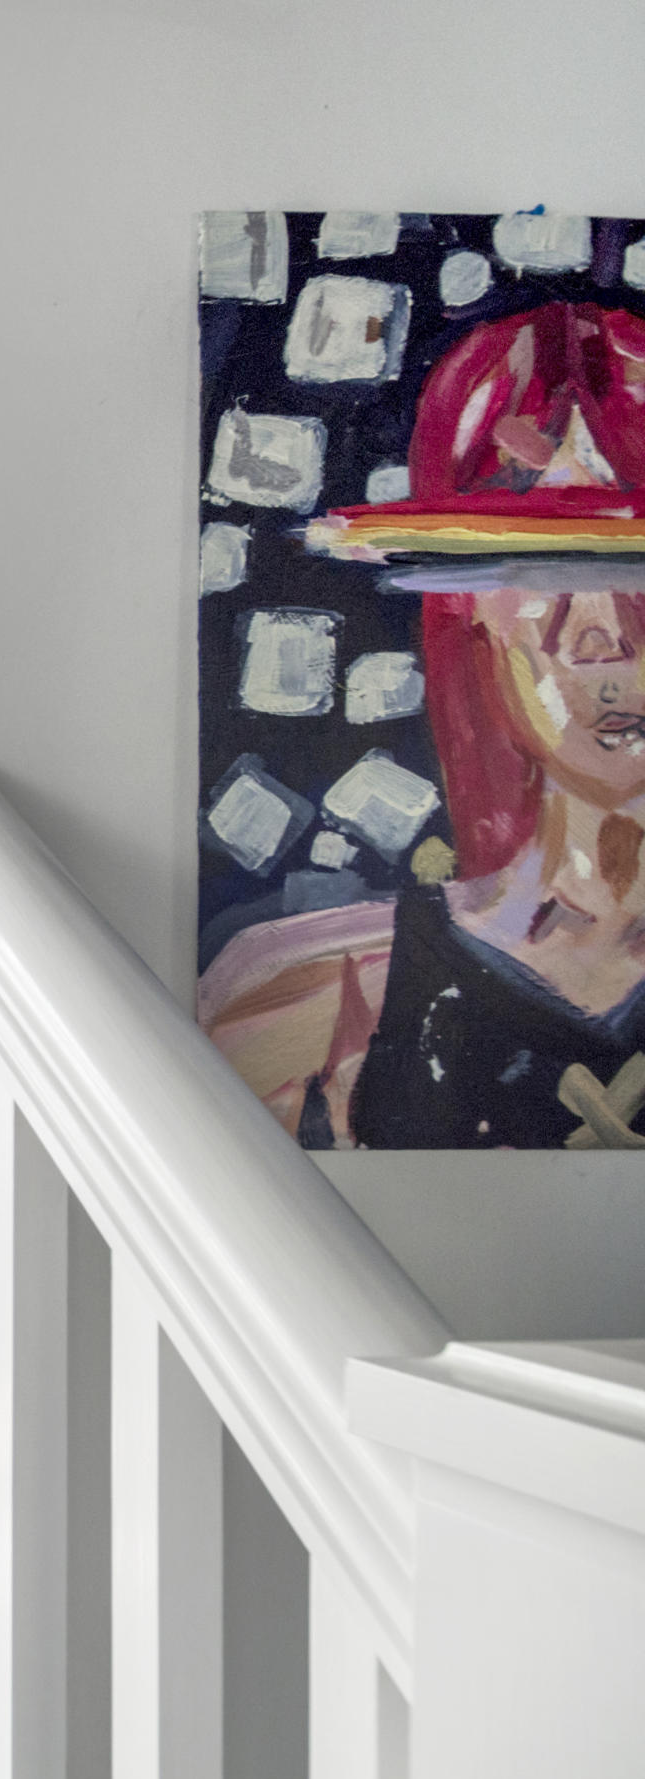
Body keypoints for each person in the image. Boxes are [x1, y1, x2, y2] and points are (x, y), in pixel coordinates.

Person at [200, 300, 645, 1147]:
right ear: (472, 620)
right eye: (540, 566)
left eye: (639, 568)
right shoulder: (314, 1001)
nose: (603, 635)